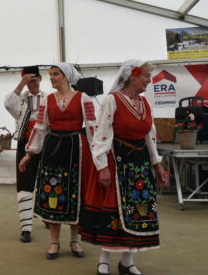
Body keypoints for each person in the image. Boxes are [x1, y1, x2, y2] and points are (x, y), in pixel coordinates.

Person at [78, 60, 170, 275]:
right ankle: (103, 261)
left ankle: (127, 262)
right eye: (145, 76)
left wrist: (158, 166)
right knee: (113, 214)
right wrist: (102, 167)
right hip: (117, 163)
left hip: (141, 166)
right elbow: (101, 135)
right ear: (131, 77)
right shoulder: (113, 100)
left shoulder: (144, 104)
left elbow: (150, 136)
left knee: (138, 212)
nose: (149, 80)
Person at [19, 64, 95, 259]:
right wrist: (30, 152)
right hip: (52, 149)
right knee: (53, 192)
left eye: (55, 74)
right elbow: (40, 127)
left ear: (66, 77)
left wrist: (98, 155)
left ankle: (74, 241)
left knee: (74, 195)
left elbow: (93, 127)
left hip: (75, 148)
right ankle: (54, 242)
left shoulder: (82, 98)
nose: (51, 77)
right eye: (50, 74)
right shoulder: (47, 100)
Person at [4, 65, 47, 243]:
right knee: (24, 184)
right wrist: (22, 83)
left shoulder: (49, 98)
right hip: (25, 144)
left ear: (40, 79)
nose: (32, 83)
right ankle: (26, 228)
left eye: (34, 79)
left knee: (48, 183)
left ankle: (47, 217)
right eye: (28, 80)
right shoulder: (20, 99)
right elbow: (7, 103)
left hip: (46, 144)